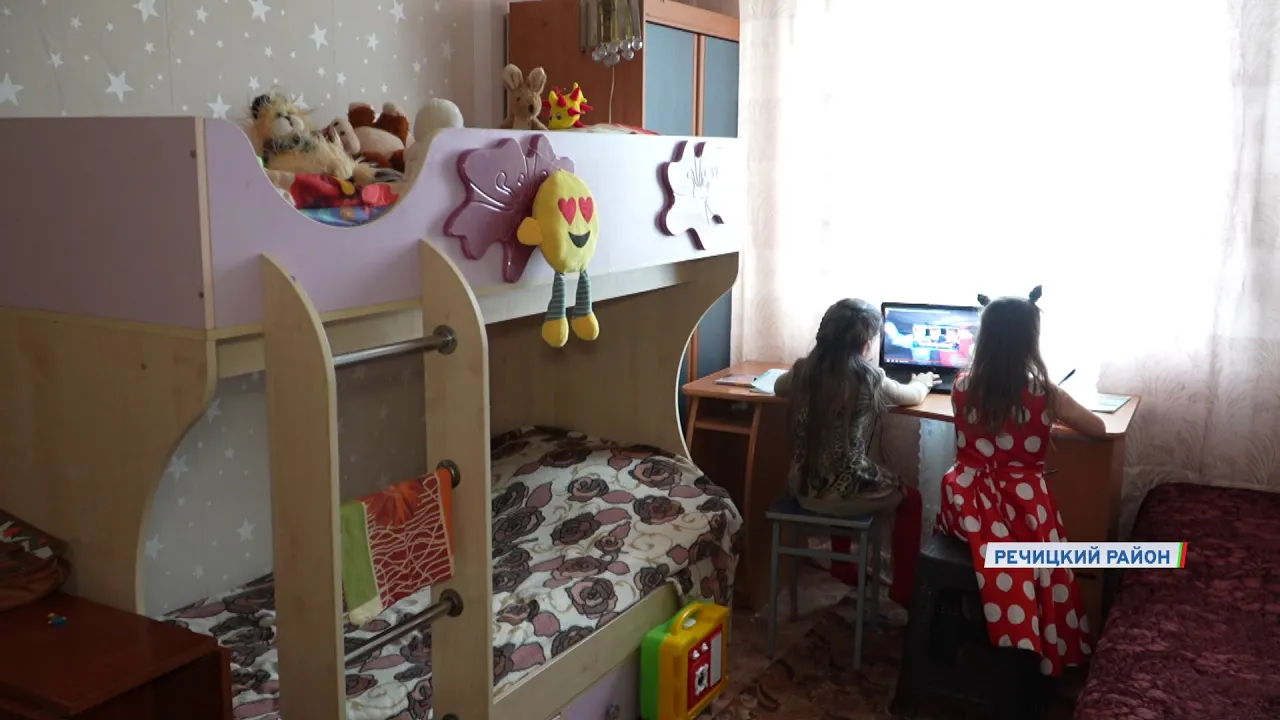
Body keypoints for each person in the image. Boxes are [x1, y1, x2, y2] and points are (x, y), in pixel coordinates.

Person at [935, 288, 1106, 678]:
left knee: (1011, 540)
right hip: (1020, 509)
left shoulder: (961, 385)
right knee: (1043, 544)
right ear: (1030, 339)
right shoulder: (1045, 394)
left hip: (964, 507)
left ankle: (990, 620)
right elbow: (1097, 428)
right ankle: (1035, 642)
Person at [775, 298, 939, 516]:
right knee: (912, 498)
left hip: (803, 487)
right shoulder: (868, 377)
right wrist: (922, 382)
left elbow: (778, 387)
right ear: (866, 346)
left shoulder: (803, 371)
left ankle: (841, 539)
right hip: (845, 493)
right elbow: (912, 396)